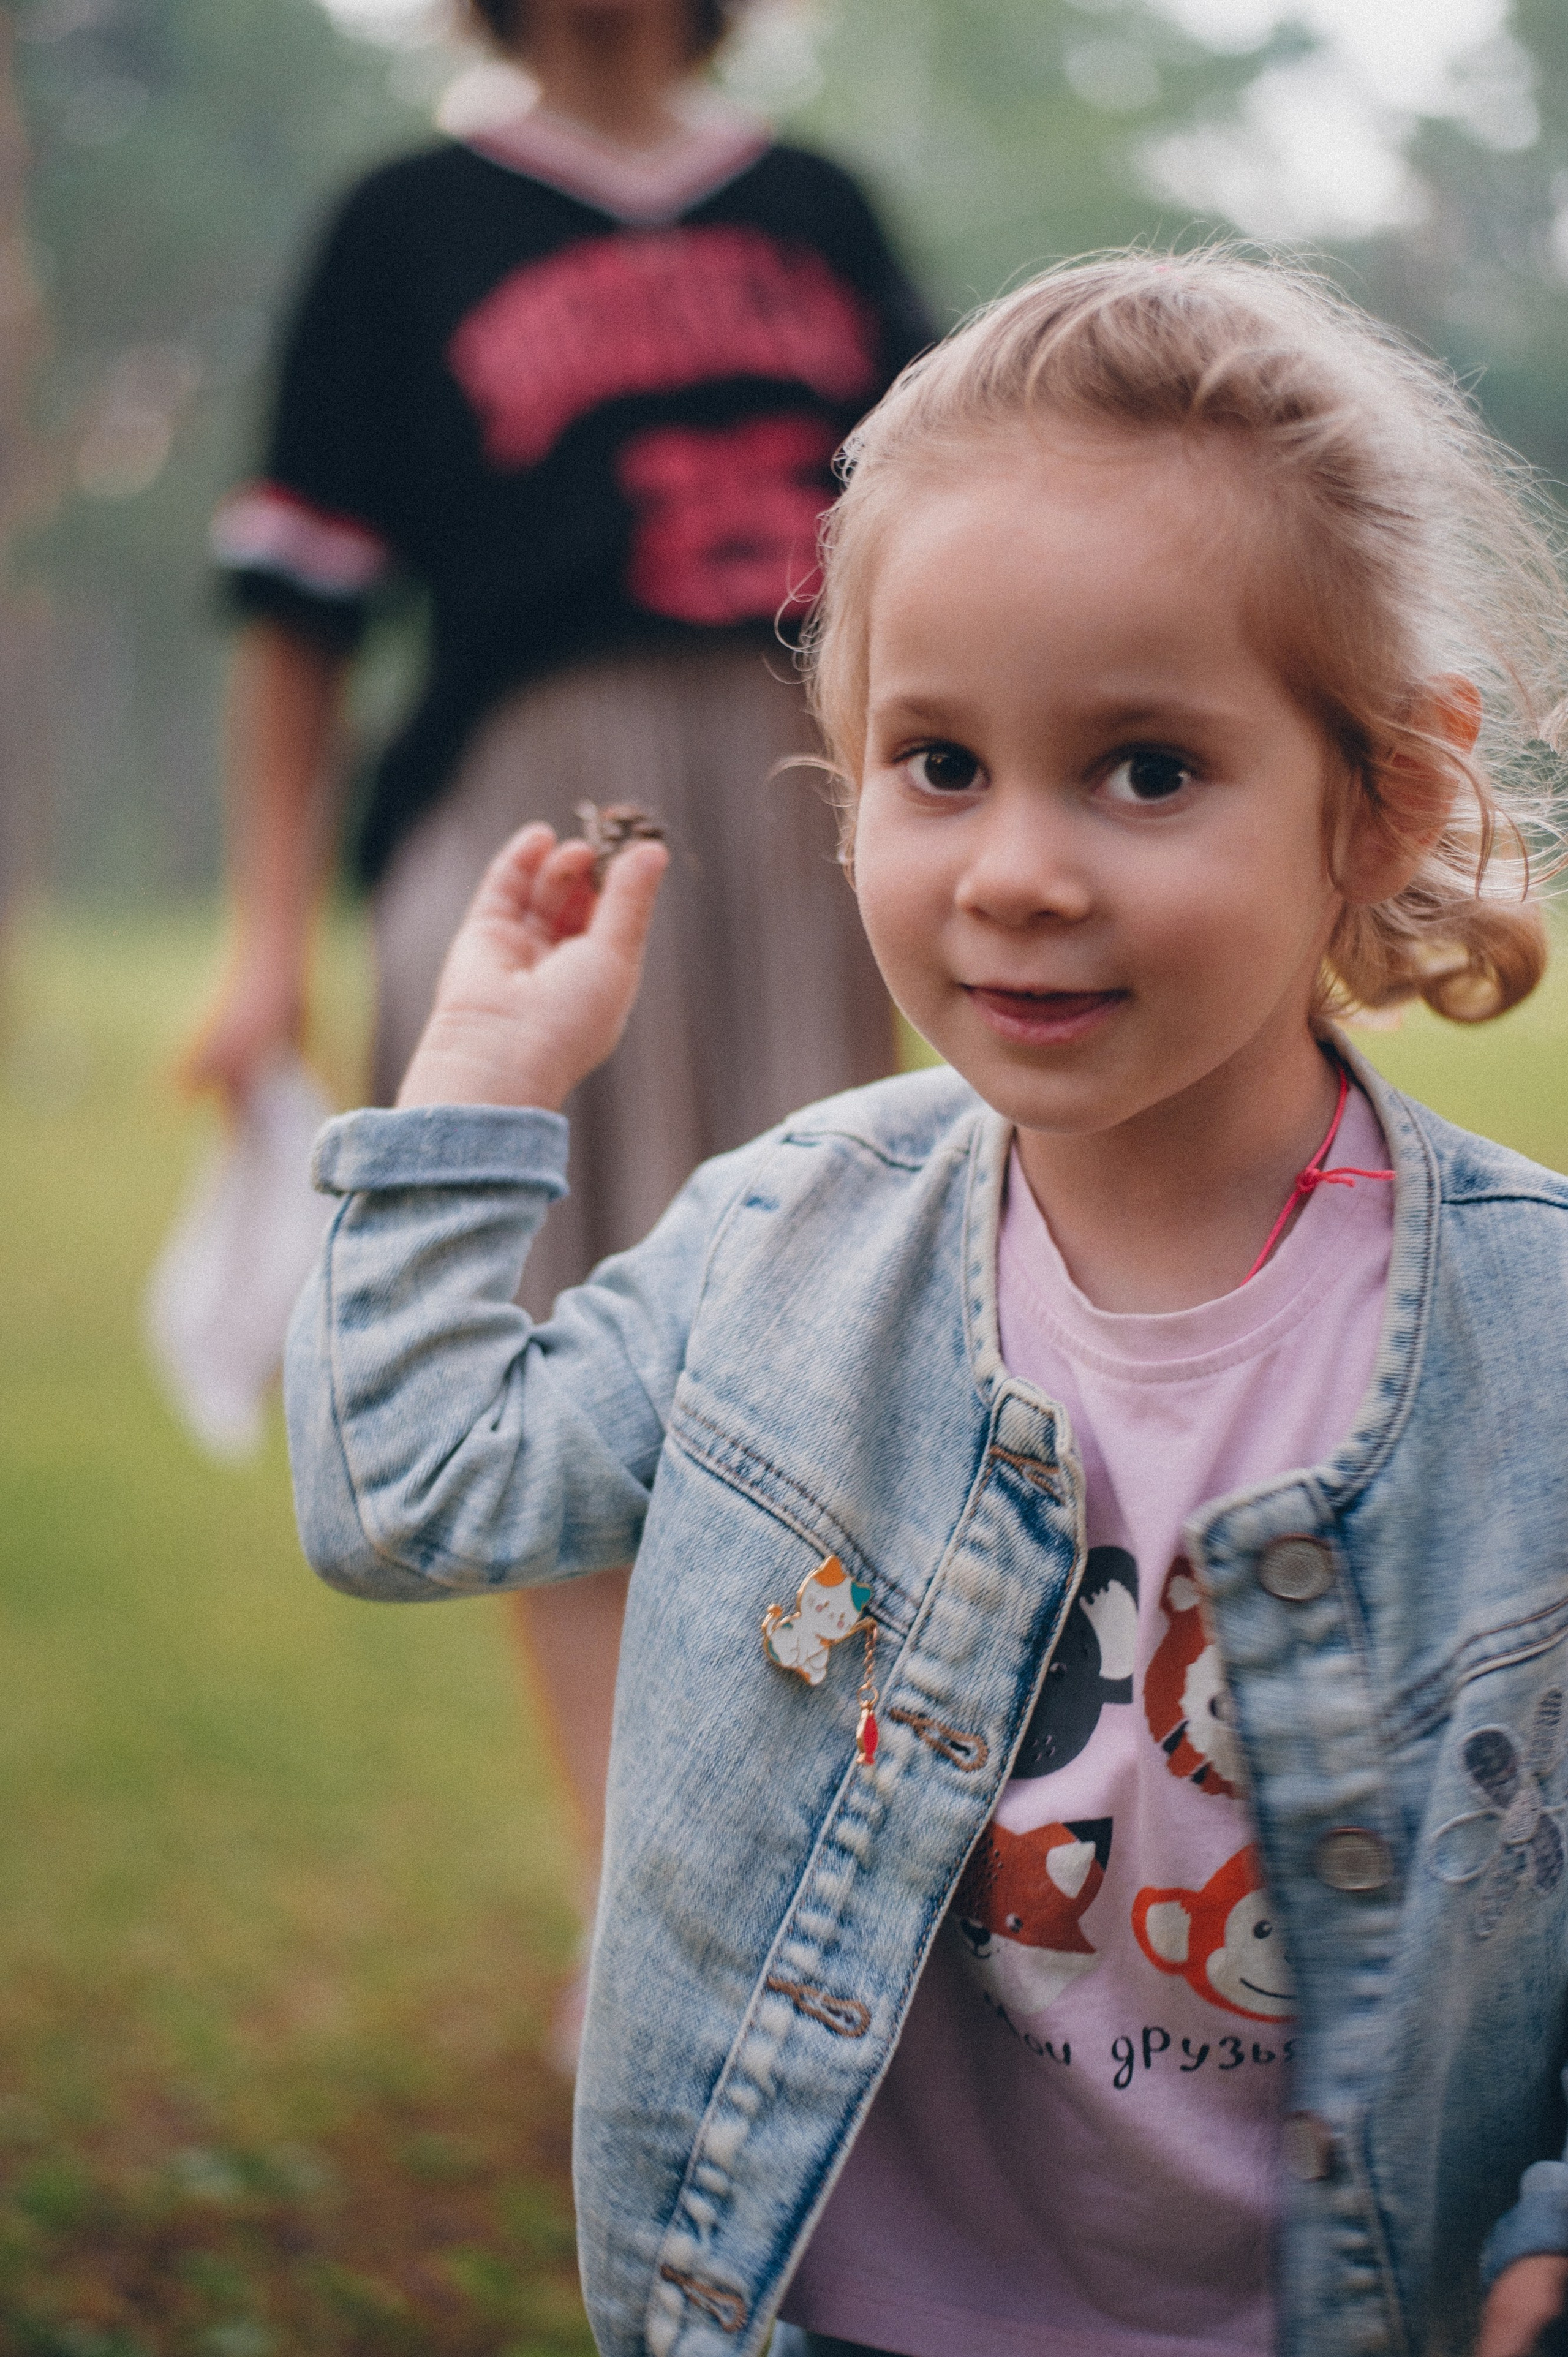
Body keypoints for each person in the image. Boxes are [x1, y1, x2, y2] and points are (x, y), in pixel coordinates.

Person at [283, 248, 1568, 2357]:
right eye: (939, 765)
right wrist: (477, 1097)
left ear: (1387, 799)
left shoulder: (1531, 1343)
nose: (1017, 873)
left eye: (1146, 768)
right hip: (825, 2305)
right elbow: (413, 1496)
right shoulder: (787, 1243)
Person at [184, 0, 931, 2005]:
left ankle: (820, 1890)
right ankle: (651, 1932)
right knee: (576, 1366)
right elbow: (298, 605)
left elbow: (951, 530)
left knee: (816, 1352)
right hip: (545, 819)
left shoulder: (817, 203)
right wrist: (266, 935)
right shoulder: (408, 218)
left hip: (799, 819)